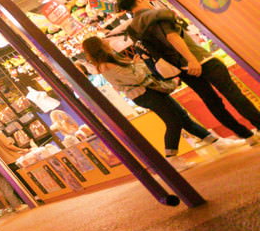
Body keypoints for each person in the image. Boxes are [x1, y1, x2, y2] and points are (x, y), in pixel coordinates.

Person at [119, 0, 260, 143]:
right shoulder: (156, 14)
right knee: (232, 93)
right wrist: (192, 59)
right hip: (200, 60)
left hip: (182, 69)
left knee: (211, 101)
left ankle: (246, 135)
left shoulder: (133, 29)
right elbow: (172, 37)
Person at [81, 36, 245, 165]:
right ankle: (171, 156)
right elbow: (136, 77)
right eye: (102, 41)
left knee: (183, 118)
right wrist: (140, 64)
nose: (106, 42)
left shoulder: (109, 61)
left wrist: (136, 65)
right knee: (173, 121)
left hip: (150, 91)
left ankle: (217, 142)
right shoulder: (105, 65)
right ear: (99, 46)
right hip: (144, 94)